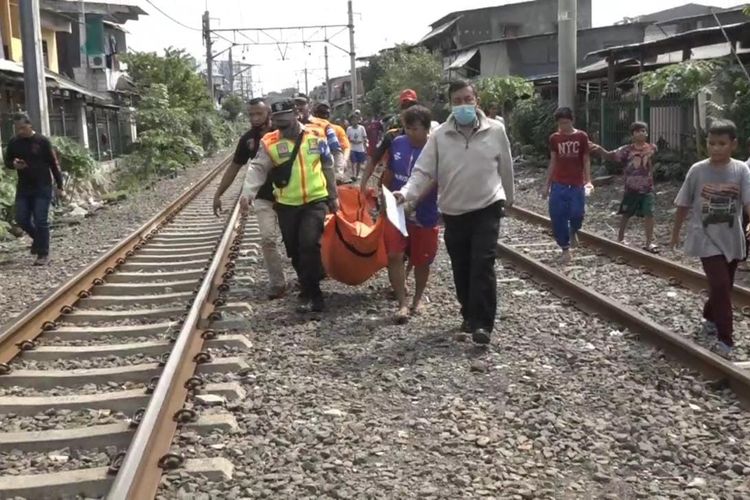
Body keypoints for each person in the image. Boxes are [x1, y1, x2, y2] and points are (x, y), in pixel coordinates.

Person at [394, 79, 514, 345]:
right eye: (457, 101)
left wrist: (510, 199)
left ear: (476, 101)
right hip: (453, 209)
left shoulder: (496, 131)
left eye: (467, 100)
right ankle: (468, 315)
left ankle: (483, 324)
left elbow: (506, 166)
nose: (463, 105)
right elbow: (423, 170)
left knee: (483, 262)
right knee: (462, 266)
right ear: (450, 105)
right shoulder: (439, 136)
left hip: (488, 205)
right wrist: (406, 193)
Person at [240, 100, 339, 313]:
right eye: (278, 124)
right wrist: (247, 194)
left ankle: (313, 293)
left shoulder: (315, 135)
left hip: (315, 200)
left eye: (285, 123)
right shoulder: (269, 142)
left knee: (309, 244)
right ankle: (306, 288)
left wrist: (333, 196)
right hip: (286, 204)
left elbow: (328, 165)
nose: (281, 129)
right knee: (294, 250)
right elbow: (257, 168)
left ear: (295, 115)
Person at [670, 119, 750, 359]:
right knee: (721, 286)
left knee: (723, 285)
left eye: (721, 143)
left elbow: (747, 202)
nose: (716, 148)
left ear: (733, 144)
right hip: (705, 237)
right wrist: (675, 234)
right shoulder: (698, 170)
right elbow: (683, 204)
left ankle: (709, 316)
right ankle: (726, 340)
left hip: (732, 237)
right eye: (711, 143)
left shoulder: (741, 170)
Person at [213, 98, 286, 299]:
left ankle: (309, 276)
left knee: (296, 241)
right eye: (251, 114)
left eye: (259, 114)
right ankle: (278, 283)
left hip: (290, 195)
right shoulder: (247, 140)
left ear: (268, 114)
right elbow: (234, 167)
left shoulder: (283, 134)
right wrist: (219, 193)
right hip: (264, 197)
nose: (255, 118)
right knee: (268, 239)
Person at [382, 105, 438, 324]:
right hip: (396, 208)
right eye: (407, 128)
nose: (411, 133)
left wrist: (415, 201)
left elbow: (435, 178)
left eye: (415, 129)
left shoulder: (435, 148)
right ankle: (402, 303)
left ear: (426, 129)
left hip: (425, 210)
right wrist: (383, 197)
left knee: (422, 259)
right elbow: (389, 172)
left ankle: (418, 298)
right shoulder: (397, 143)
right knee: (394, 255)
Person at [4, 112, 64, 266]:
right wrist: (14, 164)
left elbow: (53, 163)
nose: (20, 131)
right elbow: (8, 161)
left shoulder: (42, 141)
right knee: (21, 218)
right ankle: (38, 240)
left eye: (23, 128)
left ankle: (43, 254)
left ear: (30, 125)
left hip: (42, 186)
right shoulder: (14, 142)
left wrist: (60, 185)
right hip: (24, 187)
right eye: (17, 128)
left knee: (40, 220)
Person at [590, 121, 658, 252]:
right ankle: (620, 238)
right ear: (632, 134)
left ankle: (649, 242)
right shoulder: (626, 150)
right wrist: (599, 149)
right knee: (626, 213)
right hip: (631, 188)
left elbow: (650, 161)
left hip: (647, 188)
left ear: (647, 133)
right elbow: (610, 155)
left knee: (649, 213)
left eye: (643, 131)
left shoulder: (651, 148)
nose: (641, 133)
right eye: (638, 131)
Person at [542, 106, 593, 265]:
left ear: (571, 120)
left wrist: (589, 180)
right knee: (558, 216)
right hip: (559, 183)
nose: (564, 126)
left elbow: (585, 159)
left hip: (577, 183)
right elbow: (553, 161)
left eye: (566, 122)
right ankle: (565, 248)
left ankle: (574, 230)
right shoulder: (554, 138)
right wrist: (546, 185)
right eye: (561, 123)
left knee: (577, 213)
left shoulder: (581, 136)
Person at [293, 93, 347, 183]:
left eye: (301, 104)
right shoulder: (286, 127)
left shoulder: (324, 125)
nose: (298, 107)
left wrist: (338, 173)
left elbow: (336, 151)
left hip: (320, 181)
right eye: (295, 105)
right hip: (296, 182)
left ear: (309, 106)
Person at [347, 113, 368, 182]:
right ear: (351, 121)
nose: (354, 121)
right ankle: (353, 175)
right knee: (353, 162)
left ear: (358, 120)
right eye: (352, 120)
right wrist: (351, 141)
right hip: (352, 147)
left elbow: (365, 137)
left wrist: (365, 146)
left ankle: (357, 174)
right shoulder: (349, 129)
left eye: (355, 120)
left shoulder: (361, 128)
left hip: (360, 147)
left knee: (359, 162)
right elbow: (347, 138)